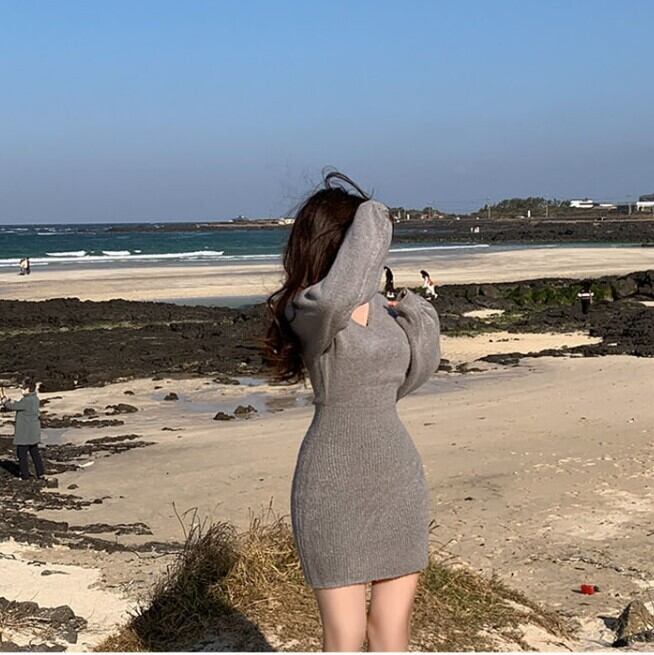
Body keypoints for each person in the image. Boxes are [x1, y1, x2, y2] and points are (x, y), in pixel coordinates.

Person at [264, 171, 441, 651]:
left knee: (391, 630)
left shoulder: (381, 311)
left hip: (397, 474)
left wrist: (414, 310)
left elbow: (417, 370)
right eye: (362, 236)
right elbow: (339, 295)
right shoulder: (310, 310)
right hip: (332, 482)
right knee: (345, 636)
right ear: (342, 242)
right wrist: (375, 215)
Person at [0, 377, 45, 480]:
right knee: (35, 453)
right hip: (33, 432)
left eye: (23, 388)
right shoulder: (34, 398)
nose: (21, 390)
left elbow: (13, 406)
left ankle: (25, 475)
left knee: (22, 454)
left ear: (28, 389)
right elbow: (19, 405)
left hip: (25, 434)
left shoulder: (26, 400)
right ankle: (40, 473)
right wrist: (9, 400)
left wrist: (4, 401)